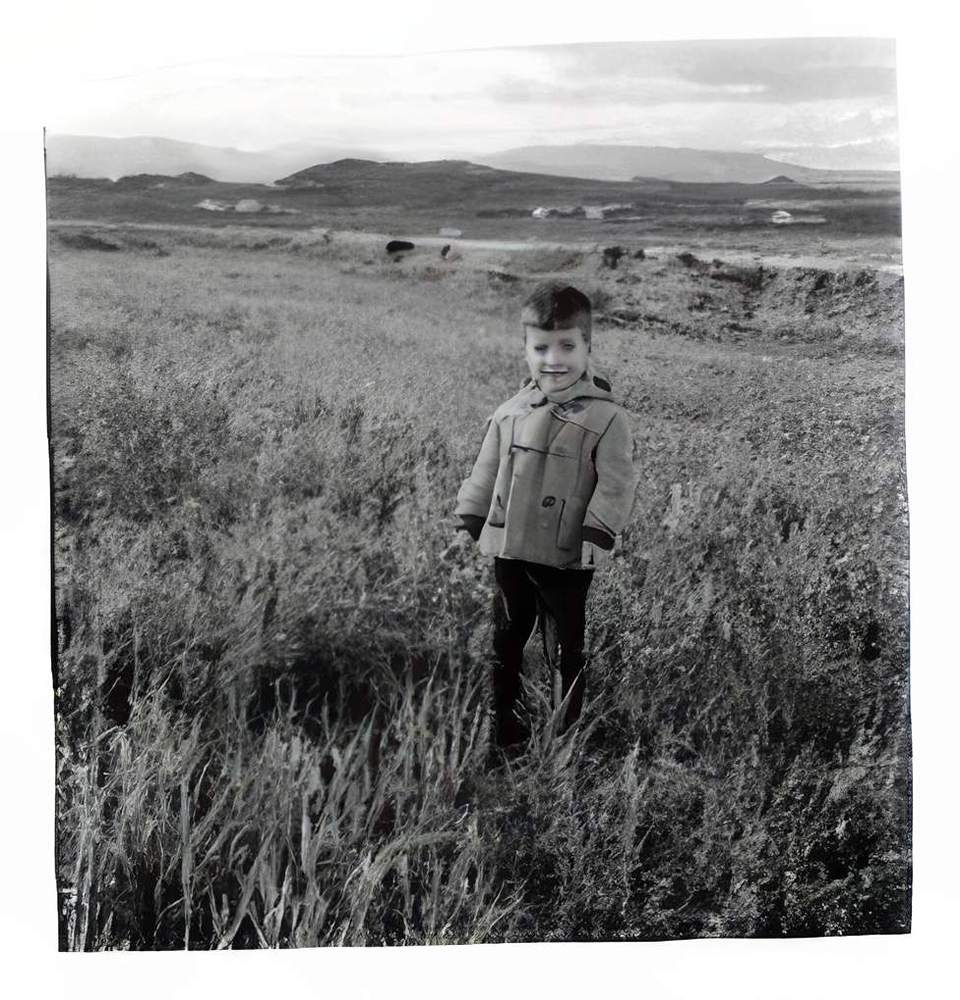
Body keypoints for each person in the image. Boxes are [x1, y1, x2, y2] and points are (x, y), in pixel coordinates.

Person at [454, 281, 637, 748]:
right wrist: (470, 516)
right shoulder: (510, 411)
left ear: (588, 347)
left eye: (567, 347)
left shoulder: (606, 418)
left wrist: (598, 532)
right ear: (525, 349)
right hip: (510, 545)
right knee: (507, 635)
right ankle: (504, 726)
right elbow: (486, 468)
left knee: (564, 645)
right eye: (541, 348)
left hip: (565, 553)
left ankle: (563, 735)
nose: (554, 359)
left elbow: (617, 482)